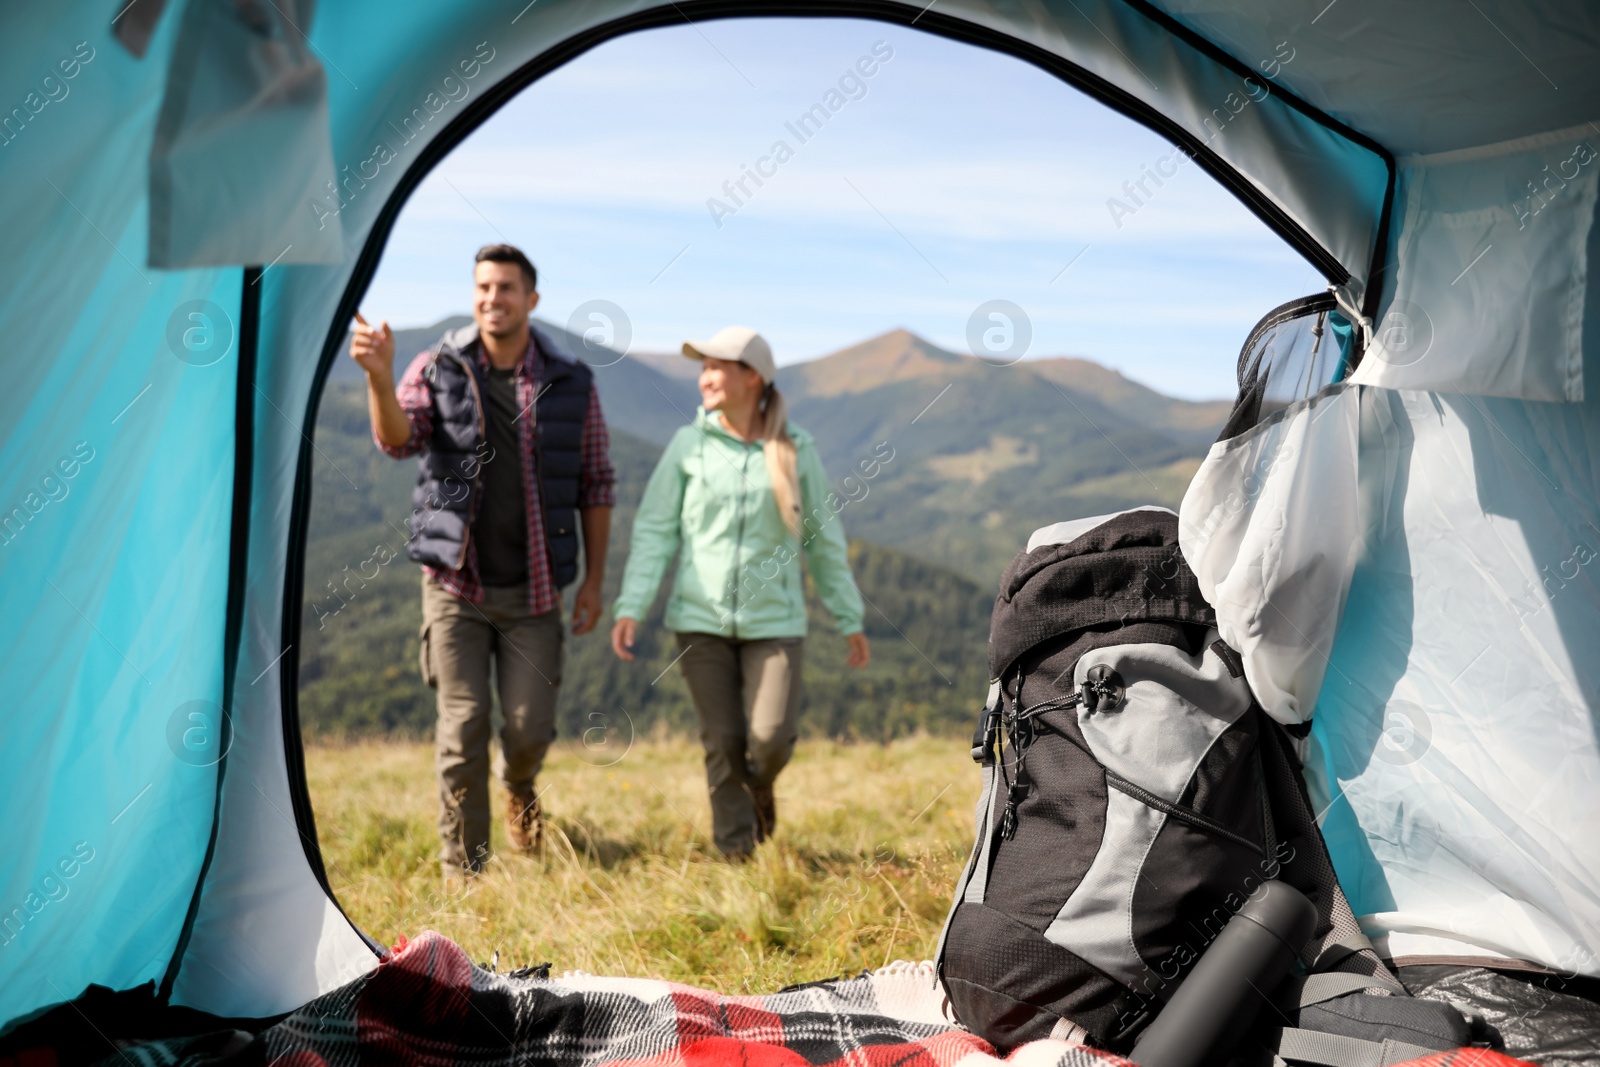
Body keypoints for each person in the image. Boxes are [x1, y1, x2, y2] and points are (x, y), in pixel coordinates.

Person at [350, 243, 615, 878]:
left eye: (506, 288)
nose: (493, 299)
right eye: (483, 288)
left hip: (536, 590)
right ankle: (464, 873)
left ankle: (518, 786)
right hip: (454, 586)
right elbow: (397, 440)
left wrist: (596, 582)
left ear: (532, 300)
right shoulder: (437, 365)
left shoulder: (572, 380)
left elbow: (597, 483)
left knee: (528, 731)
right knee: (462, 726)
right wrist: (380, 378)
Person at [610, 326, 869, 860]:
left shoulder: (796, 449)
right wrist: (633, 604)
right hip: (699, 621)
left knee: (769, 740)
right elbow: (657, 530)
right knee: (723, 743)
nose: (704, 377)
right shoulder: (689, 446)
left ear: (752, 378)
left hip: (776, 624)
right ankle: (736, 857)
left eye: (716, 367)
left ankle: (762, 786)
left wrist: (849, 617)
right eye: (702, 367)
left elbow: (823, 540)